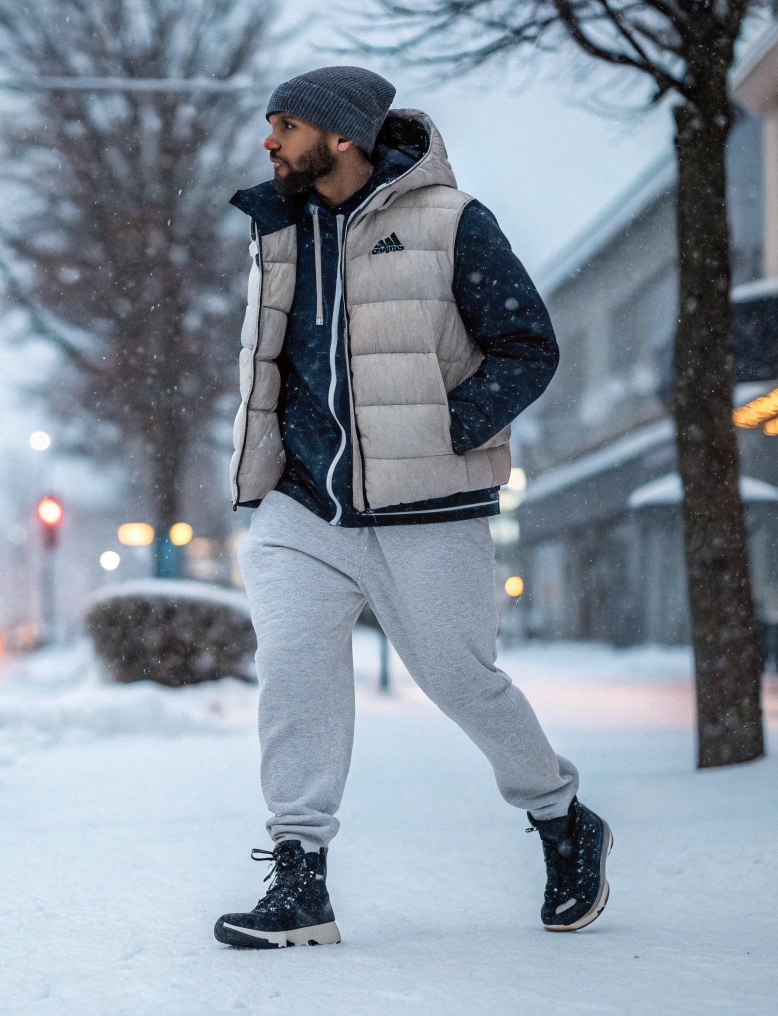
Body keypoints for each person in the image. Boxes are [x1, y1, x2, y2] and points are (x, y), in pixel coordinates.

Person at [213, 66, 611, 949]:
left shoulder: (452, 223)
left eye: (283, 124)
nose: (269, 142)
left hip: (425, 506)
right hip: (302, 504)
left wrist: (444, 431)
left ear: (342, 135)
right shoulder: (278, 230)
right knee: (295, 673)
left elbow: (527, 347)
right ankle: (300, 873)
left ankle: (561, 818)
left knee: (460, 679)